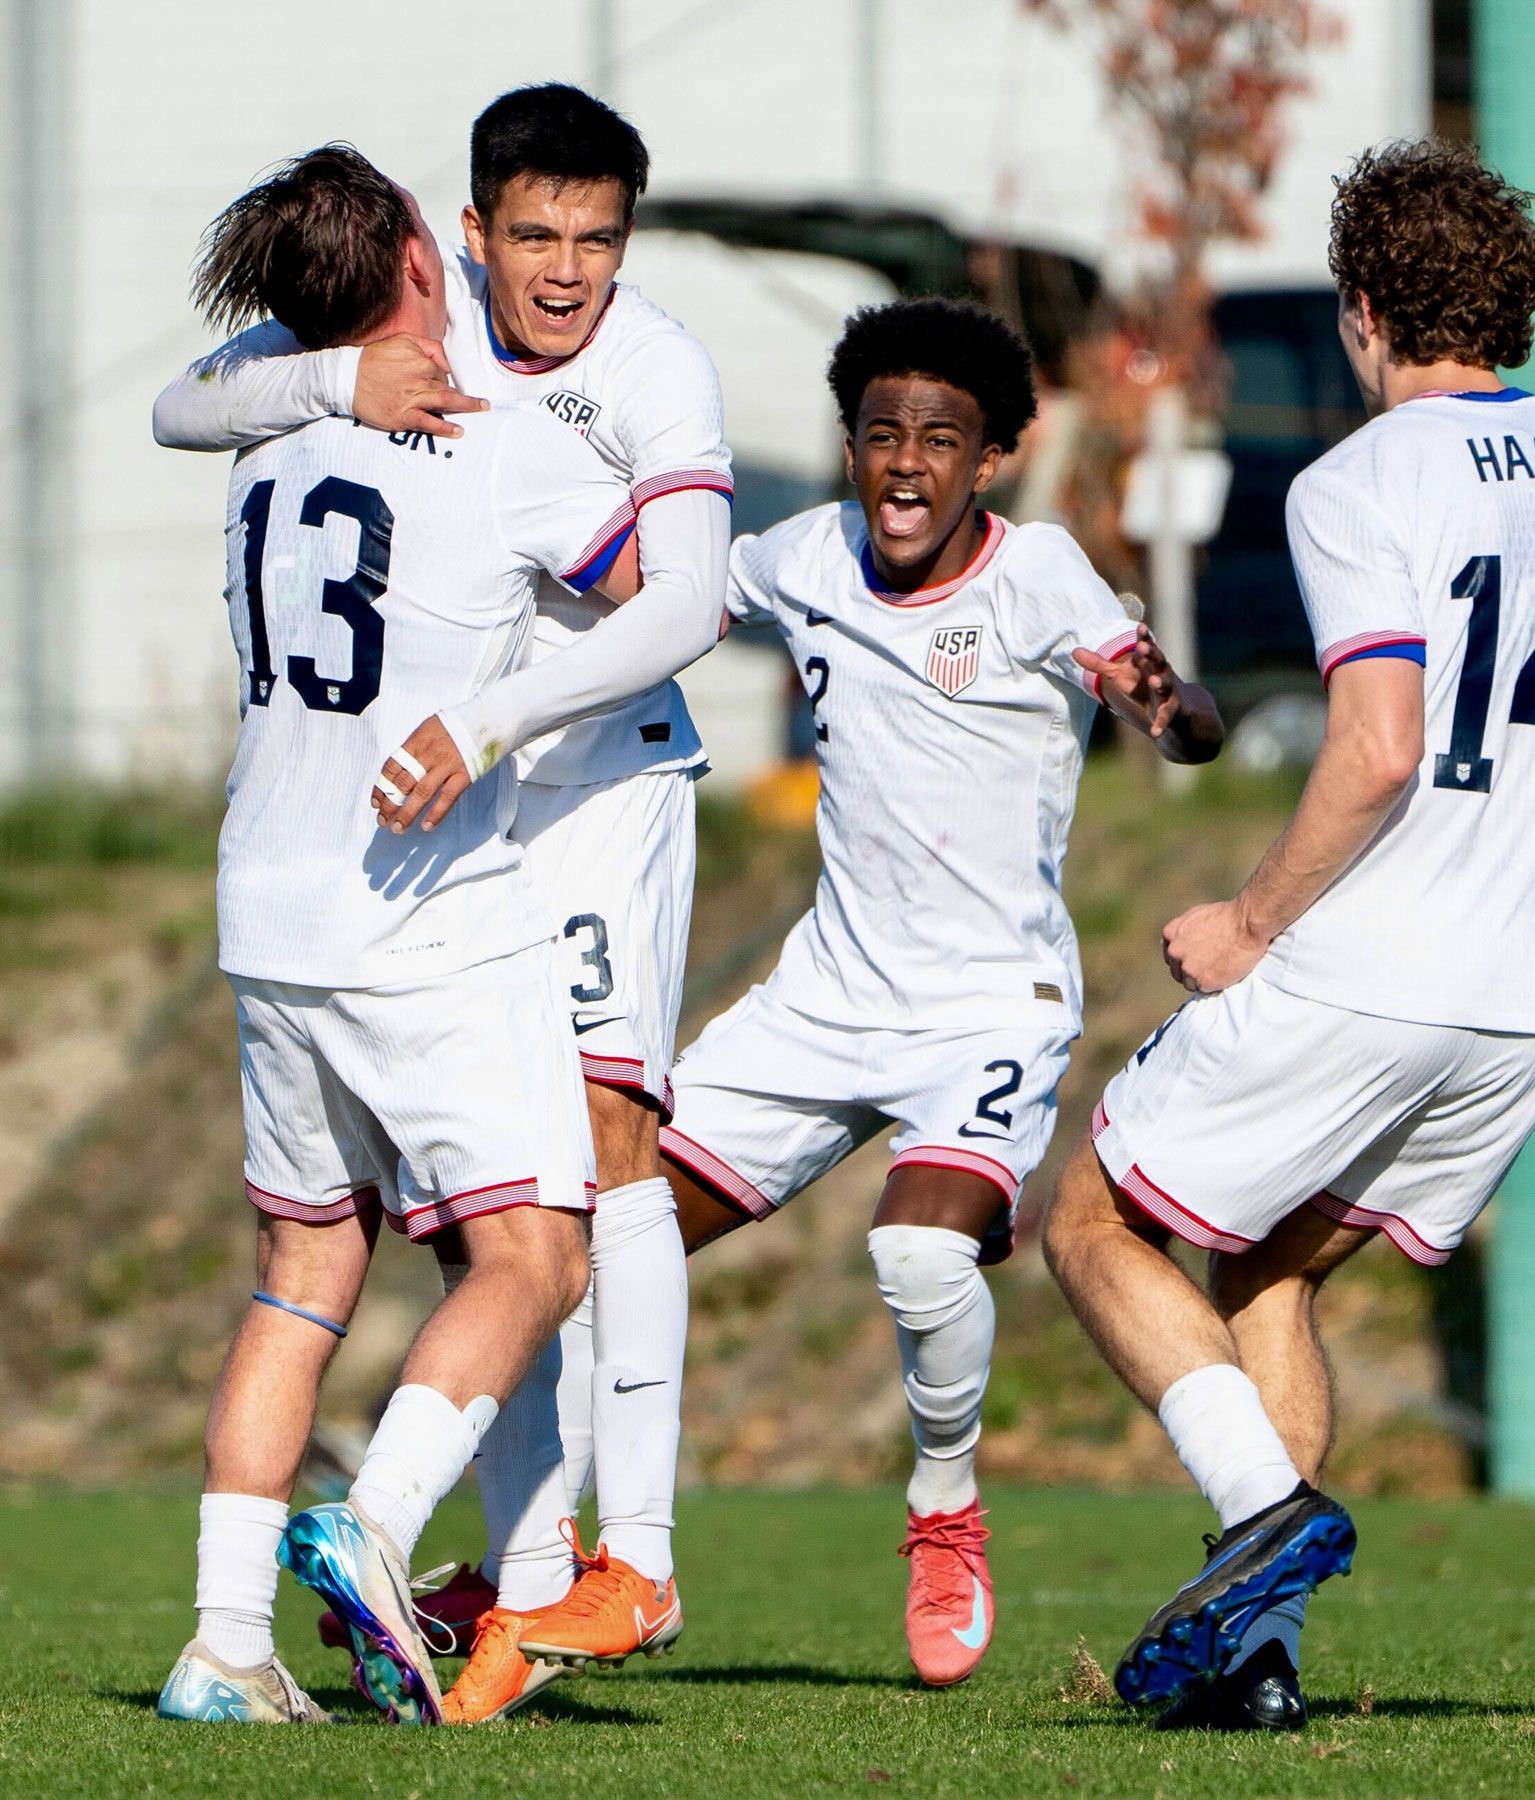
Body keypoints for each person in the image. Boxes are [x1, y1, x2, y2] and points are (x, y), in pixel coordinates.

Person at [1043, 139, 1535, 1732]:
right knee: (1274, 1275)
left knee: (1092, 1216)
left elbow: (1375, 744)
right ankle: (1255, 1663)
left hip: (1377, 963)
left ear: (1363, 313)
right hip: (1533, 999)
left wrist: (1247, 918)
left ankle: (1267, 1519)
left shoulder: (1359, 480)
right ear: (1515, 311)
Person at [152, 84, 730, 1722]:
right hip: (420, 904)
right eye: (497, 235)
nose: (549, 268)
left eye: (587, 239)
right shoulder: (499, 447)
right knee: (535, 1254)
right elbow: (670, 593)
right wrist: (492, 700)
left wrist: (329, 386)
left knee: (301, 1274)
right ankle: (380, 1524)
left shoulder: (268, 439)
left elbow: (182, 408)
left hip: (261, 904)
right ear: (437, 253)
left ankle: (222, 1649)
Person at [615, 298, 1221, 1688]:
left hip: (988, 1011)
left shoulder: (1040, 574)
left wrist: (1166, 703)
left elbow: (1139, 680)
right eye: (880, 433)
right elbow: (662, 592)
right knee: (605, 1235)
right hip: (823, 999)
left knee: (919, 1255)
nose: (903, 464)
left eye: (938, 439)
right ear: (850, 447)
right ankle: (542, 1569)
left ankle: (944, 1502)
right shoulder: (803, 557)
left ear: (991, 460)